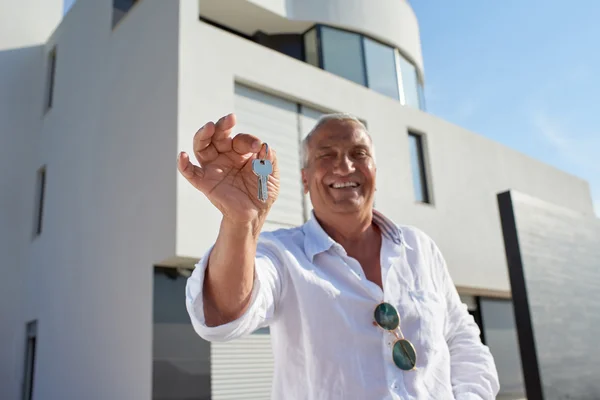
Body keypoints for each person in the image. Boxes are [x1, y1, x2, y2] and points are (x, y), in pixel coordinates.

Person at [177, 112, 500, 400]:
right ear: (305, 178)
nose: (344, 166)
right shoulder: (281, 254)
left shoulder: (421, 248)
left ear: (374, 169)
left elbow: (461, 338)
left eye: (358, 154)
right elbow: (223, 318)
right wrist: (241, 220)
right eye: (326, 155)